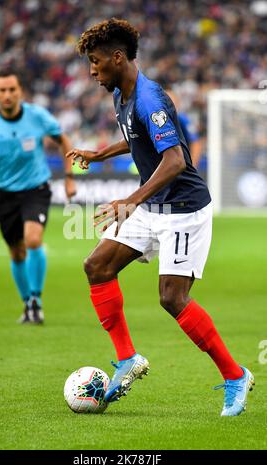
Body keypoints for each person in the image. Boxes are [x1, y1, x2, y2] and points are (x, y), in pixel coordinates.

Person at [67, 18, 254, 416]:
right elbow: (137, 138)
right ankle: (127, 359)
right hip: (153, 206)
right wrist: (100, 154)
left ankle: (235, 374)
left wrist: (131, 200)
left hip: (183, 210)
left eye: (97, 63)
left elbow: (175, 160)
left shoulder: (150, 98)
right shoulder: (124, 93)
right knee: (97, 266)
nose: (92, 72)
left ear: (118, 58)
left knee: (172, 298)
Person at [0, 67, 76, 324]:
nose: (7, 95)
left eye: (12, 90)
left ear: (20, 92)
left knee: (33, 239)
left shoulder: (37, 116)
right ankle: (27, 303)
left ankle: (37, 299)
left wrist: (70, 178)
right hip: (3, 192)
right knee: (16, 251)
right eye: (2, 90)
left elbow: (65, 141)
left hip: (35, 188)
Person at [166, 89, 203, 168]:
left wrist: (192, 166)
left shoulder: (183, 119)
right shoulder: (156, 121)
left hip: (181, 167)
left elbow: (196, 143)